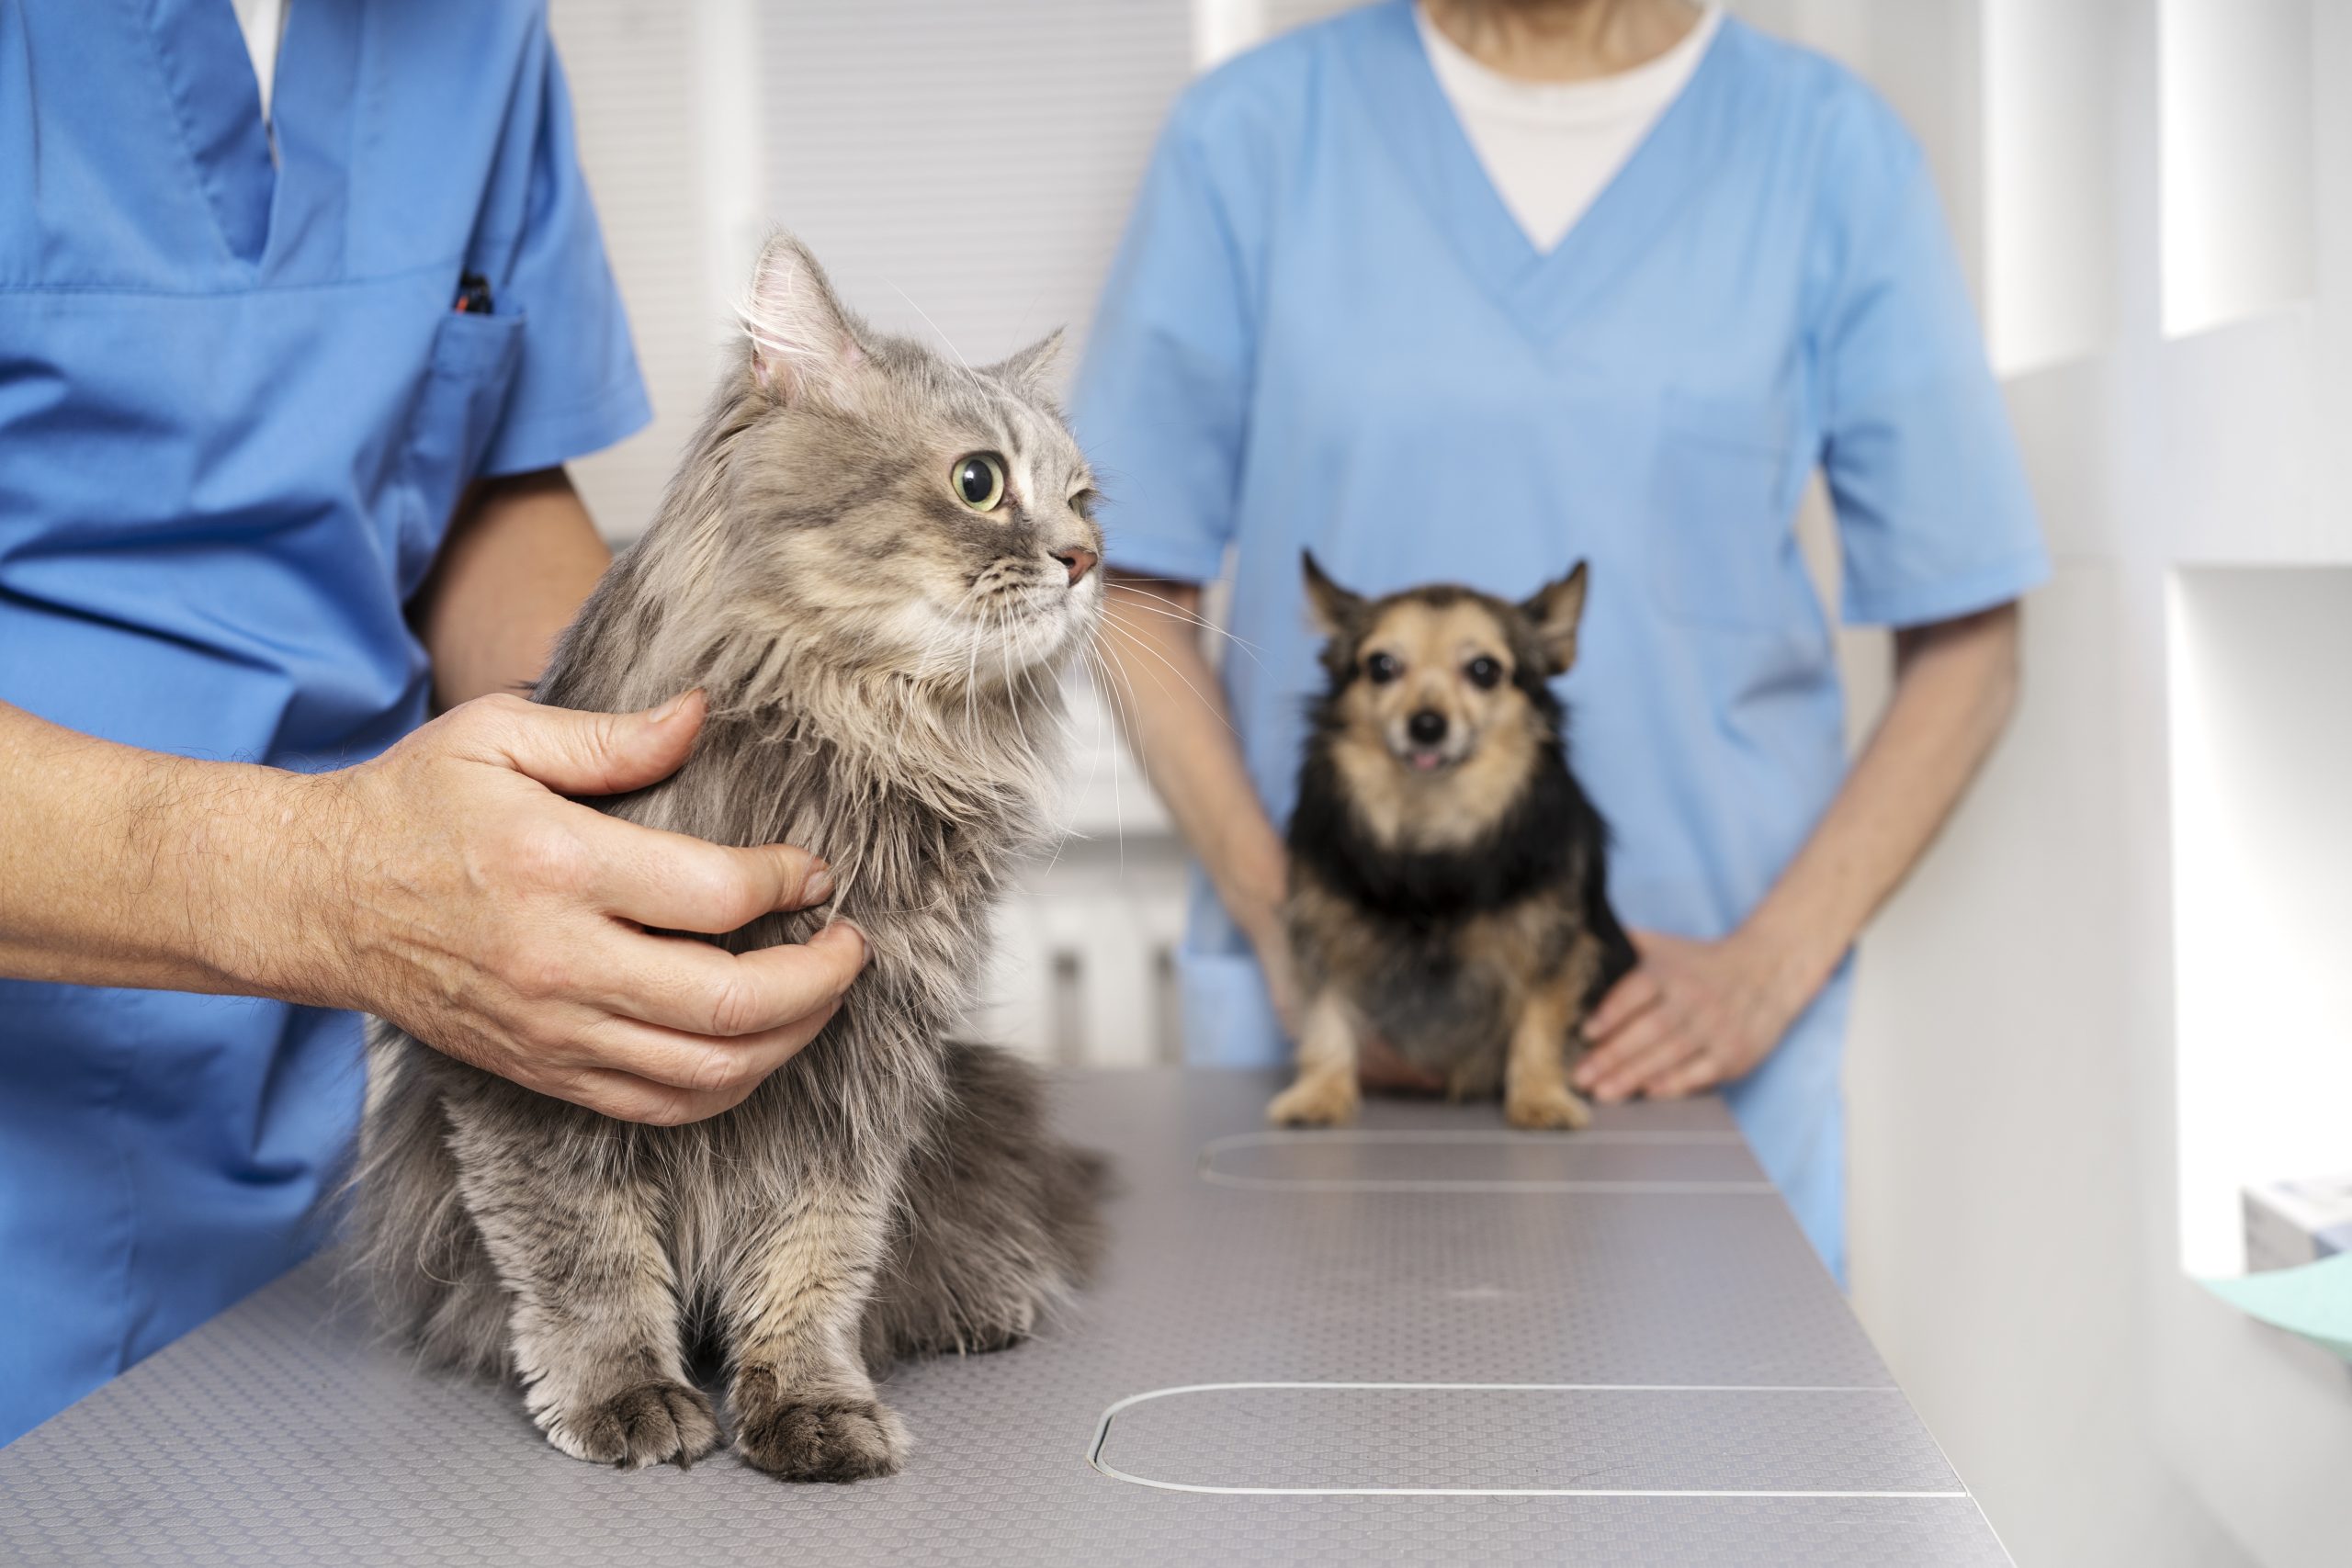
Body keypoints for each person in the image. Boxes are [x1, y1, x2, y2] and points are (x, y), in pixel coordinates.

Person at [0, 1, 864, 1445]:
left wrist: (694, 786)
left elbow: (468, 491)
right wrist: (325, 884)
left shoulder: (479, 37)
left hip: (325, 1138)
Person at [1074, 0, 2045, 1284]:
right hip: (1326, 1045)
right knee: (1314, 1456)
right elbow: (1127, 587)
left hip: (1676, 1067)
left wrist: (1769, 964)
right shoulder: (1248, 139)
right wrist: (1296, 926)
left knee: (1712, 1468)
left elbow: (1971, 631)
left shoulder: (1829, 155)